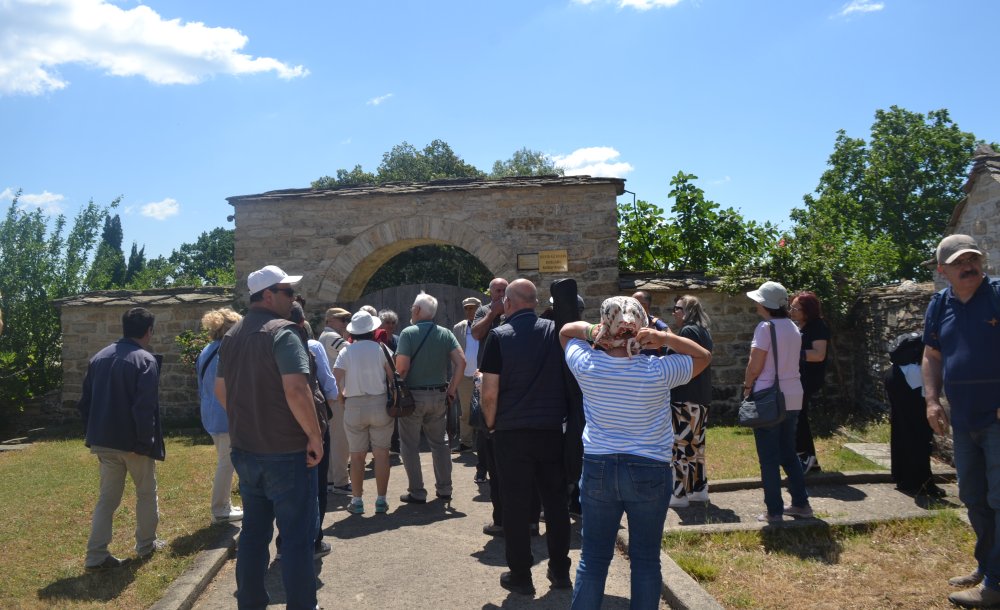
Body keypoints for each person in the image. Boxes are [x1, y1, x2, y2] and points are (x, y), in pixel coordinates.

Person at [561, 295, 711, 609]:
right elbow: (703, 357)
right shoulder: (659, 370)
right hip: (649, 468)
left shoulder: (586, 364)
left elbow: (565, 331)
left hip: (599, 465)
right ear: (641, 326)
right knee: (645, 560)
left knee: (593, 560)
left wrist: (595, 332)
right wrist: (665, 337)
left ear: (604, 325)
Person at [214, 265, 325, 610]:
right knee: (295, 539)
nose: (293, 299)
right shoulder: (284, 332)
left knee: (253, 533)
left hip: (247, 449)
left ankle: (250, 603)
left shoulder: (231, 335)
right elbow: (296, 388)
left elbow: (221, 390)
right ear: (268, 295)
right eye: (287, 292)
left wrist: (251, 417)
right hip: (286, 451)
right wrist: (315, 435)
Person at [921, 234, 1000, 609]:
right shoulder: (940, 305)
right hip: (964, 419)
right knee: (973, 496)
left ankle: (996, 585)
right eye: (959, 262)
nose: (969, 266)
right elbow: (932, 354)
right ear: (943, 270)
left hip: (997, 417)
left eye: (973, 259)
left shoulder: (998, 295)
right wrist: (932, 400)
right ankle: (987, 566)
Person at [480, 279, 571, 596]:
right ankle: (560, 571)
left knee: (516, 507)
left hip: (512, 431)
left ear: (508, 302)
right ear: (533, 302)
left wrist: (490, 425)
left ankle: (521, 575)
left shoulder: (499, 337)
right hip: (550, 430)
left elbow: (489, 392)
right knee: (556, 504)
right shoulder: (556, 332)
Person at [78, 307, 165, 570]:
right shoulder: (145, 360)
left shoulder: (99, 357)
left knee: (107, 498)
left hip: (103, 440)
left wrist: (93, 434)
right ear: (149, 331)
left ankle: (95, 555)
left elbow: (85, 403)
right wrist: (144, 442)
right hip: (132, 443)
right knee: (146, 493)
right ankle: (146, 544)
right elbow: (144, 407)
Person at [742, 280, 811, 523]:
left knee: (769, 458)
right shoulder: (793, 327)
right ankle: (801, 503)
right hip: (793, 394)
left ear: (764, 303)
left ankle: (774, 510)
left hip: (769, 395)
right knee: (788, 454)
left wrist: (747, 385)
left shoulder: (765, 328)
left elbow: (755, 365)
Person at [395, 291, 464, 504]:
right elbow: (461, 362)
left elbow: (402, 369)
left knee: (409, 445)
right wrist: (452, 389)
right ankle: (445, 489)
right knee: (440, 444)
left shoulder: (408, 333)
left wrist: (396, 388)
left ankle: (417, 491)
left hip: (413, 398)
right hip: (439, 395)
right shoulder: (444, 333)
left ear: (416, 310)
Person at [333, 310, 396, 515]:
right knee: (381, 454)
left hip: (354, 405)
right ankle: (381, 500)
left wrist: (343, 397)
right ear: (373, 329)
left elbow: (335, 381)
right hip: (379, 404)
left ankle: (357, 500)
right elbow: (393, 378)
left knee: (357, 456)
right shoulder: (382, 349)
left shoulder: (346, 351)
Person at [197, 307, 244, 524]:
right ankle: (219, 509)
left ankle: (224, 504)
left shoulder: (208, 350)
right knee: (226, 462)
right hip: (225, 414)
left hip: (212, 412)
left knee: (225, 460)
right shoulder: (225, 351)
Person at [667, 295, 714, 508]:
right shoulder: (704, 332)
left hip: (685, 397)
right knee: (696, 446)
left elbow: (677, 361)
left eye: (676, 308)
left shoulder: (687, 331)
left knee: (680, 446)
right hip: (701, 397)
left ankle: (679, 494)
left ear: (686, 311)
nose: (674, 312)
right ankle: (698, 489)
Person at [886, 331, 943, 497]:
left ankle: (904, 478)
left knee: (901, 430)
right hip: (913, 381)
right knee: (920, 434)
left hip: (896, 375)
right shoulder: (936, 336)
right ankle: (924, 484)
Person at [789, 290, 829, 474]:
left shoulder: (817, 326)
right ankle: (811, 461)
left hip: (809, 378)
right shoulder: (802, 326)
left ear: (808, 310)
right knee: (799, 415)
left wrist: (792, 355)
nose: (792, 311)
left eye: (796, 308)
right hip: (801, 377)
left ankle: (805, 455)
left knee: (798, 416)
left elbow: (819, 354)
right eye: (792, 307)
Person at [318, 306, 353, 495]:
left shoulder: (326, 337)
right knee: (341, 440)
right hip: (337, 396)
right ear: (330, 320)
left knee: (334, 439)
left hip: (332, 395)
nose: (345, 323)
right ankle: (340, 481)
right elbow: (351, 351)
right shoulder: (331, 337)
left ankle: (332, 479)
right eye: (342, 319)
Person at [452, 296, 482, 454]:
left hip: (483, 375)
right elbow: (454, 353)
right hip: (464, 376)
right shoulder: (458, 328)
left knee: (486, 408)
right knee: (466, 411)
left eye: (473, 307)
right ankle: (466, 442)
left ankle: (486, 442)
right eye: (467, 308)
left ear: (479, 308)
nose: (470, 311)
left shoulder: (487, 324)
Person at [632, 290, 669, 356]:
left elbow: (670, 339)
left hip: (651, 364)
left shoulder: (656, 324)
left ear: (646, 306)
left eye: (636, 304)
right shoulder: (626, 323)